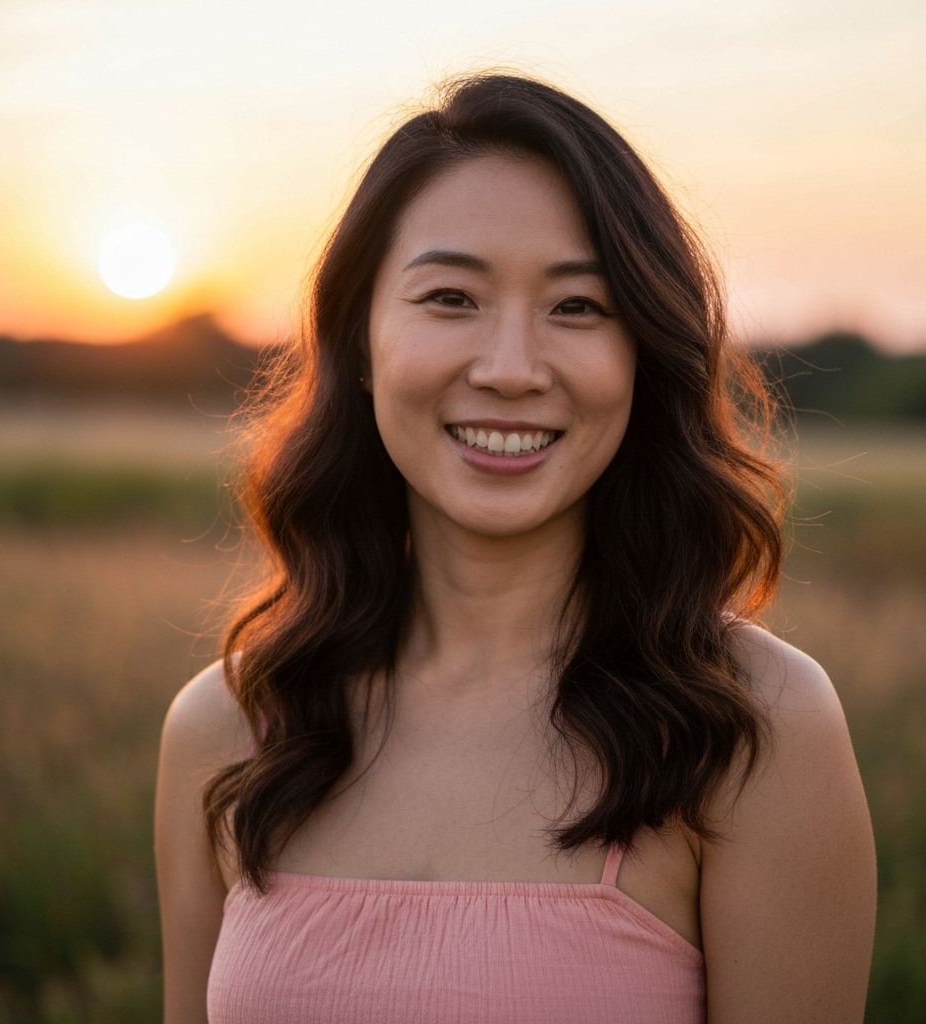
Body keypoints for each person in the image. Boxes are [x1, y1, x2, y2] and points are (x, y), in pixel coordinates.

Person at [155, 74, 876, 1024]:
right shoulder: (228, 727)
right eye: (450, 297)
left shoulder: (753, 729)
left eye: (577, 308)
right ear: (362, 342)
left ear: (643, 358)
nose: (508, 369)